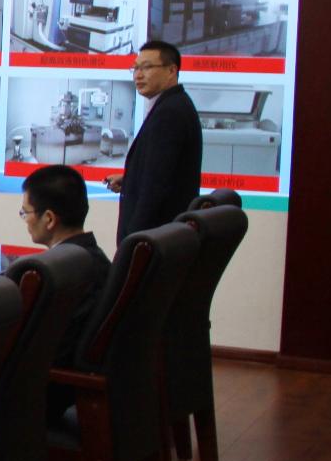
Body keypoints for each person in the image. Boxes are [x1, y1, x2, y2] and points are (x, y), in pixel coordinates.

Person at [20, 164, 114, 421]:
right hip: (77, 389)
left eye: (25, 212)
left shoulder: (54, 275)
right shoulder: (94, 260)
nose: (25, 220)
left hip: (46, 395)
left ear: (49, 219)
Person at [104, 40, 203, 241]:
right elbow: (163, 170)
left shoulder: (170, 112)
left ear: (171, 70)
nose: (138, 75)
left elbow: (156, 187)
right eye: (135, 68)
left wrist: (134, 241)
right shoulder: (173, 104)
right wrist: (131, 180)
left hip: (156, 237)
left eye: (147, 67)